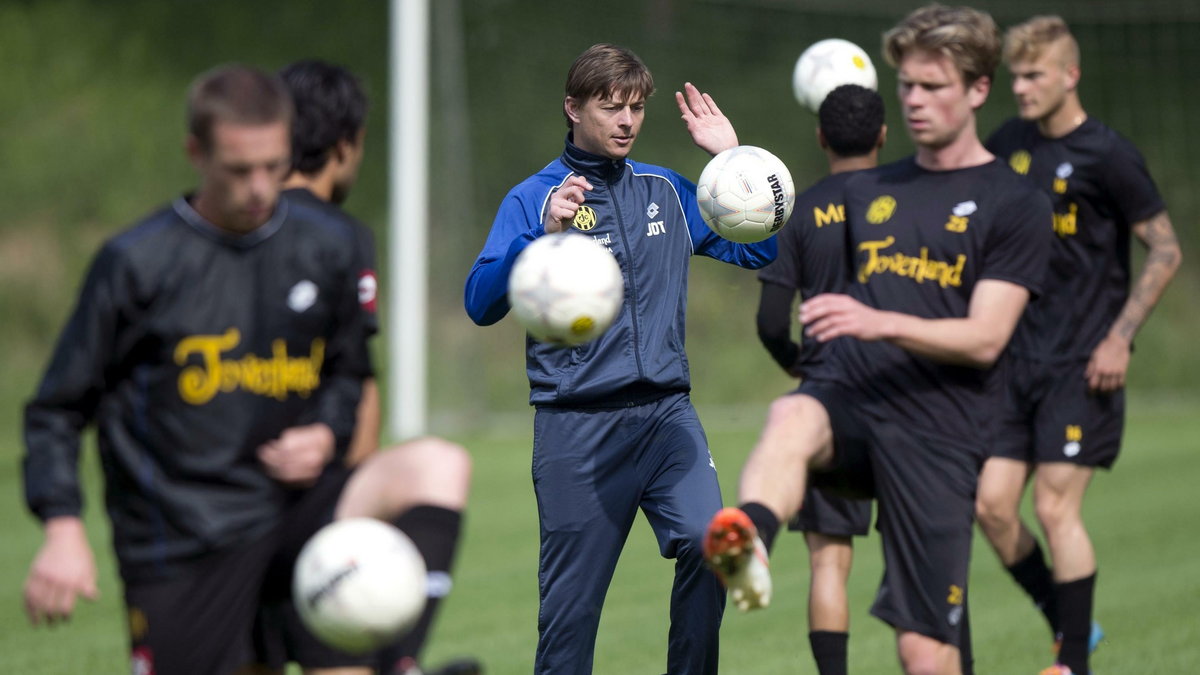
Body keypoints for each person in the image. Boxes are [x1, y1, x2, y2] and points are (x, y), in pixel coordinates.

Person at [21, 64, 468, 675]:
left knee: (436, 465)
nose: (260, 187)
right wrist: (63, 527)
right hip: (186, 540)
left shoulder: (325, 244)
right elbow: (58, 408)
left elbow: (347, 373)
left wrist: (326, 434)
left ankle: (398, 661)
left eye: (273, 166)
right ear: (196, 153)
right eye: (239, 170)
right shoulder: (137, 264)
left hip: (299, 514)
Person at [703, 6, 1053, 674]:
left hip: (940, 431)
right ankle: (747, 537)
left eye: (934, 86)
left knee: (924, 653)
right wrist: (730, 159)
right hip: (855, 406)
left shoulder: (1013, 202)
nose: (917, 101)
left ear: (979, 90)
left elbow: (986, 337)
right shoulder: (867, 185)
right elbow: (785, 215)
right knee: (792, 412)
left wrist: (880, 321)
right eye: (909, 87)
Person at [464, 43, 776, 675]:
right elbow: (479, 302)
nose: (627, 121)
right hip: (576, 429)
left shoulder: (667, 192)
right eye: (611, 107)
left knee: (712, 544)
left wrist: (734, 163)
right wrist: (542, 237)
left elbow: (762, 252)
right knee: (570, 620)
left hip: (666, 420)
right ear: (573, 108)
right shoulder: (535, 198)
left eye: (636, 108)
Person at [237, 60, 477, 675]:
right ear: (346, 145)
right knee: (438, 465)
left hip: (219, 503)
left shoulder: (221, 226)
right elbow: (358, 387)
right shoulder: (337, 235)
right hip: (276, 513)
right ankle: (400, 658)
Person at [977, 16, 1182, 675]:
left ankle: (1071, 664)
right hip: (1013, 359)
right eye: (1016, 76)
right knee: (991, 506)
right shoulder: (1007, 142)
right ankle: (1071, 626)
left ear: (1071, 76)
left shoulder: (1109, 155)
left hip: (1082, 363)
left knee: (1053, 505)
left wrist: (1120, 338)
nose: (1023, 87)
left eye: (1035, 75)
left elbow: (1167, 249)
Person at [754, 83, 884, 675]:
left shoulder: (801, 211)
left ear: (820, 136)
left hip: (827, 400)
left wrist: (805, 371)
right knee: (927, 559)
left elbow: (770, 323)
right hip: (910, 402)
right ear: (883, 135)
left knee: (829, 563)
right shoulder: (912, 199)